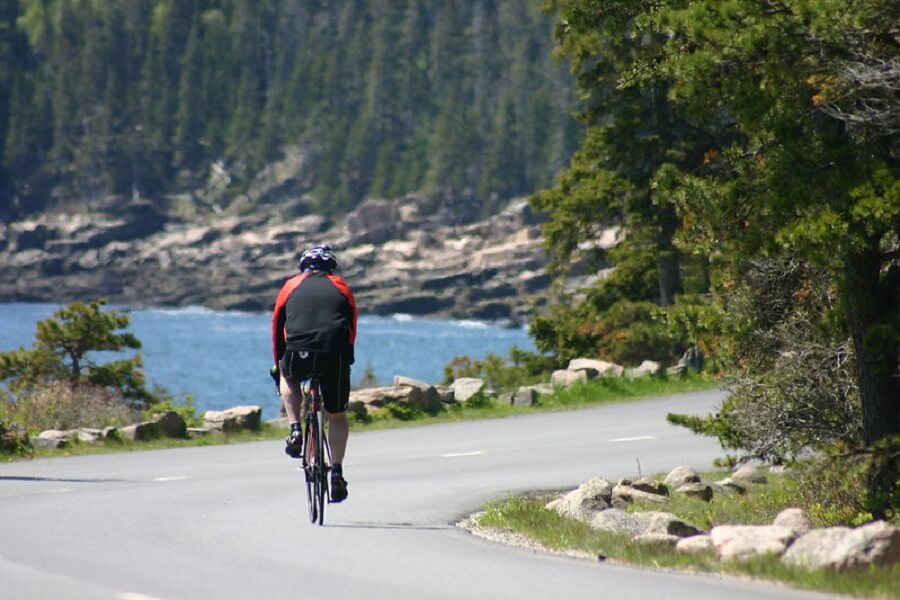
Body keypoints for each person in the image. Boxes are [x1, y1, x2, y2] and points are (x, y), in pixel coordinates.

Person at [271, 244, 357, 503]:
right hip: (335, 354)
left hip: (299, 352)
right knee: (338, 415)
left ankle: (296, 428)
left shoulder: (291, 285)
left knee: (287, 375)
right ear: (331, 267)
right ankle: (337, 472)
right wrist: (347, 359)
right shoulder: (342, 286)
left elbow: (277, 328)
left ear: (304, 267)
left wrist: (278, 363)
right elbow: (351, 328)